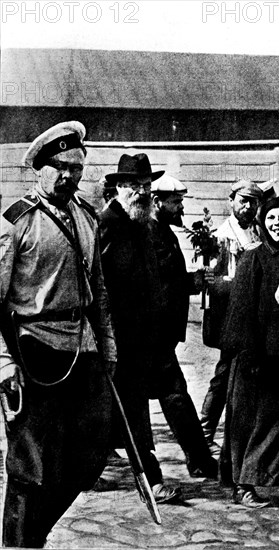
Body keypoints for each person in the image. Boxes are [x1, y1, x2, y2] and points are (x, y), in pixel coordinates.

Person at [0, 121, 117, 547]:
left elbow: (98, 289)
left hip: (82, 345)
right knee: (30, 466)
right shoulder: (16, 222)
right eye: (62, 168)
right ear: (40, 169)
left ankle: (34, 532)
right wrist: (3, 362)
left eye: (77, 170)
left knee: (90, 456)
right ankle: (18, 544)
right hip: (34, 349)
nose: (70, 177)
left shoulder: (86, 216)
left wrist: (108, 344)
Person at [220, 197, 279, 509]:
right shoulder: (253, 259)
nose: (277, 224)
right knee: (249, 424)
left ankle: (272, 477)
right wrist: (250, 356)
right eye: (271, 218)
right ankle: (242, 485)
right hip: (258, 358)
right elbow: (241, 311)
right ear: (263, 223)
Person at [99, 153, 180, 503]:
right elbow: (95, 285)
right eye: (134, 186)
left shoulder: (144, 224)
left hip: (144, 337)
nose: (142, 192)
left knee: (121, 408)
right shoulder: (105, 224)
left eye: (147, 186)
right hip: (115, 337)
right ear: (118, 187)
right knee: (130, 409)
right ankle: (151, 479)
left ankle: (93, 468)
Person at [148, 174, 218, 479]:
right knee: (175, 395)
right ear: (157, 202)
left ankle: (198, 458)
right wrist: (190, 281)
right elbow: (155, 284)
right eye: (175, 202)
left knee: (170, 395)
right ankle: (199, 459)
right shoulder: (149, 234)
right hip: (152, 334)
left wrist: (192, 281)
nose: (180, 209)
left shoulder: (163, 232)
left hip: (160, 334)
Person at [200, 179, 263, 452]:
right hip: (229, 317)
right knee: (225, 373)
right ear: (231, 201)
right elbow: (213, 282)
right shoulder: (220, 236)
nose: (248, 207)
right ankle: (204, 433)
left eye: (253, 202)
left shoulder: (259, 231)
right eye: (243, 200)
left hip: (255, 316)